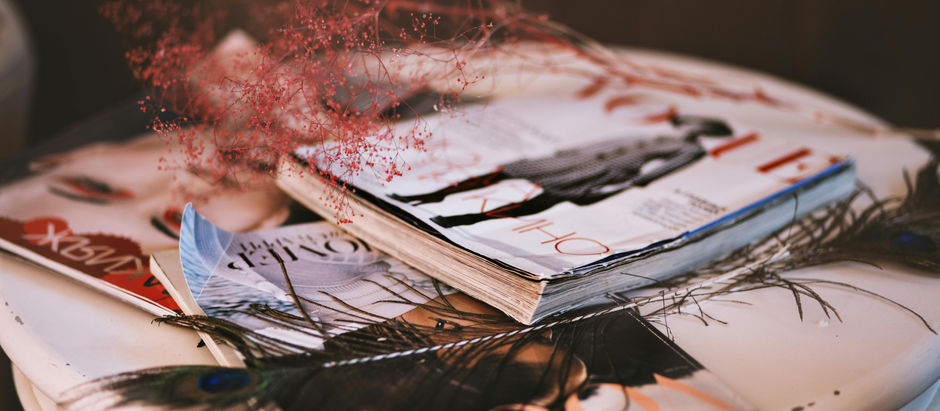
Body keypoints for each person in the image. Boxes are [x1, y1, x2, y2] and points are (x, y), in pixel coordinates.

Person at [388, 115, 734, 228]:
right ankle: (427, 196)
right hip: (575, 157)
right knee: (504, 173)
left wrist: (624, 185)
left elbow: (656, 171)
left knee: (545, 200)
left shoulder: (691, 149)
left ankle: (465, 220)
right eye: (693, 121)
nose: (692, 126)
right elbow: (607, 138)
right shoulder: (652, 130)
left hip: (604, 171)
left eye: (700, 126)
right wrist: (567, 151)